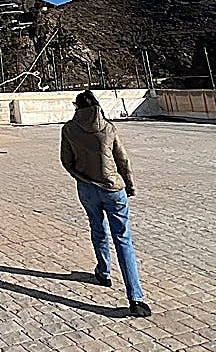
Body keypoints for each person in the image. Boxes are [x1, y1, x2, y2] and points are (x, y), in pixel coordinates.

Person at [60, 89, 152, 317]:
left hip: (87, 189)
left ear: (77, 107)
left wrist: (81, 177)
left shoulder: (69, 129)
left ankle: (104, 271)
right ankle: (136, 297)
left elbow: (66, 160)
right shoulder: (109, 129)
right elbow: (123, 160)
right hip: (113, 189)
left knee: (97, 228)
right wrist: (129, 185)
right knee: (123, 240)